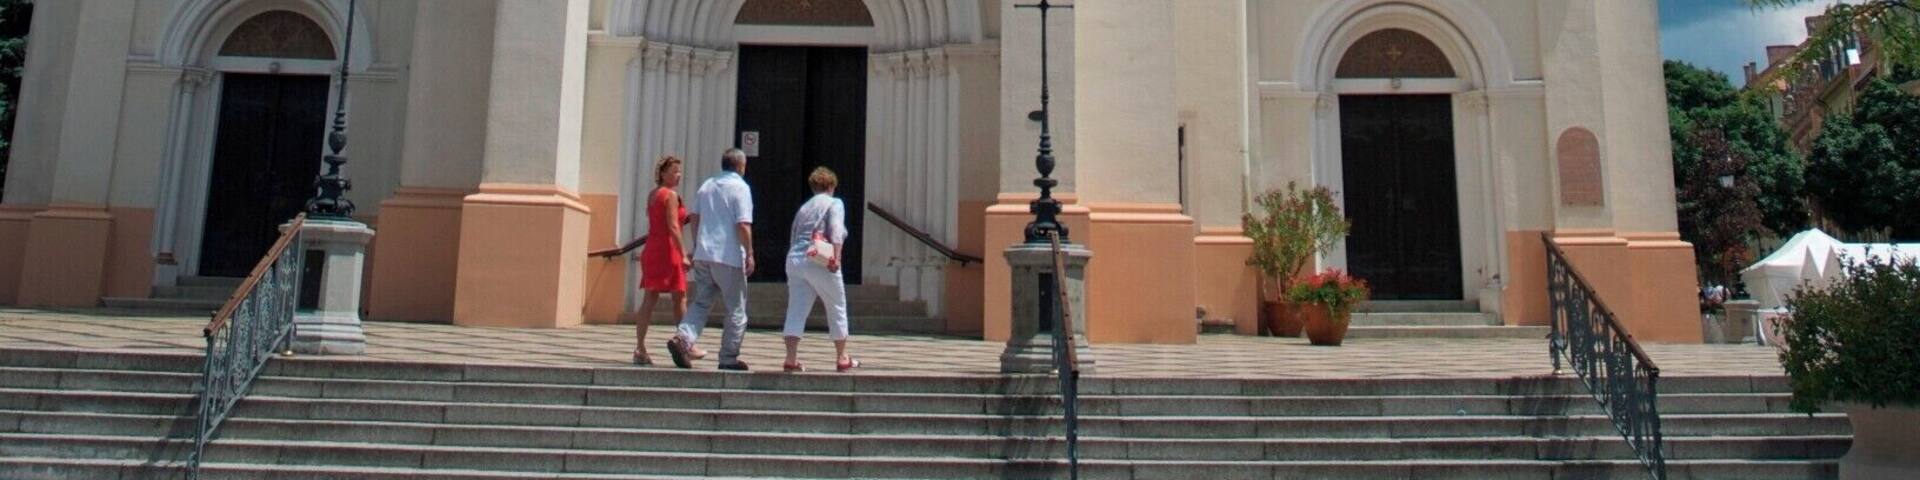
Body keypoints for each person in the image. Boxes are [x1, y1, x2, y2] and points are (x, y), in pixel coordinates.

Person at [667, 149, 755, 371]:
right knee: (736, 309)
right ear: (741, 166)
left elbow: (694, 217)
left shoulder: (707, 185)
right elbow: (743, 224)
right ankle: (728, 357)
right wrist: (750, 252)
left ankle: (683, 338)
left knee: (701, 302)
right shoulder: (741, 188)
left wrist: (698, 244)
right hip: (729, 255)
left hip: (705, 254)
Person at [780, 167, 858, 373]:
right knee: (836, 305)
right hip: (819, 258)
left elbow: (794, 233)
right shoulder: (834, 202)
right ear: (831, 186)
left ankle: (791, 358)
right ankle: (842, 356)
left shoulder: (804, 207)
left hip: (795, 259)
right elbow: (836, 230)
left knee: (796, 308)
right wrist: (837, 257)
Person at [630, 155, 692, 366]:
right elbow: (673, 226)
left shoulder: (653, 194)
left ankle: (640, 348)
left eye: (679, 171)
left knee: (649, 298)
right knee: (680, 297)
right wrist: (683, 253)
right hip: (668, 250)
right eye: (674, 171)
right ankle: (685, 344)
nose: (678, 175)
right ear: (663, 174)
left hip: (652, 249)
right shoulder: (671, 195)